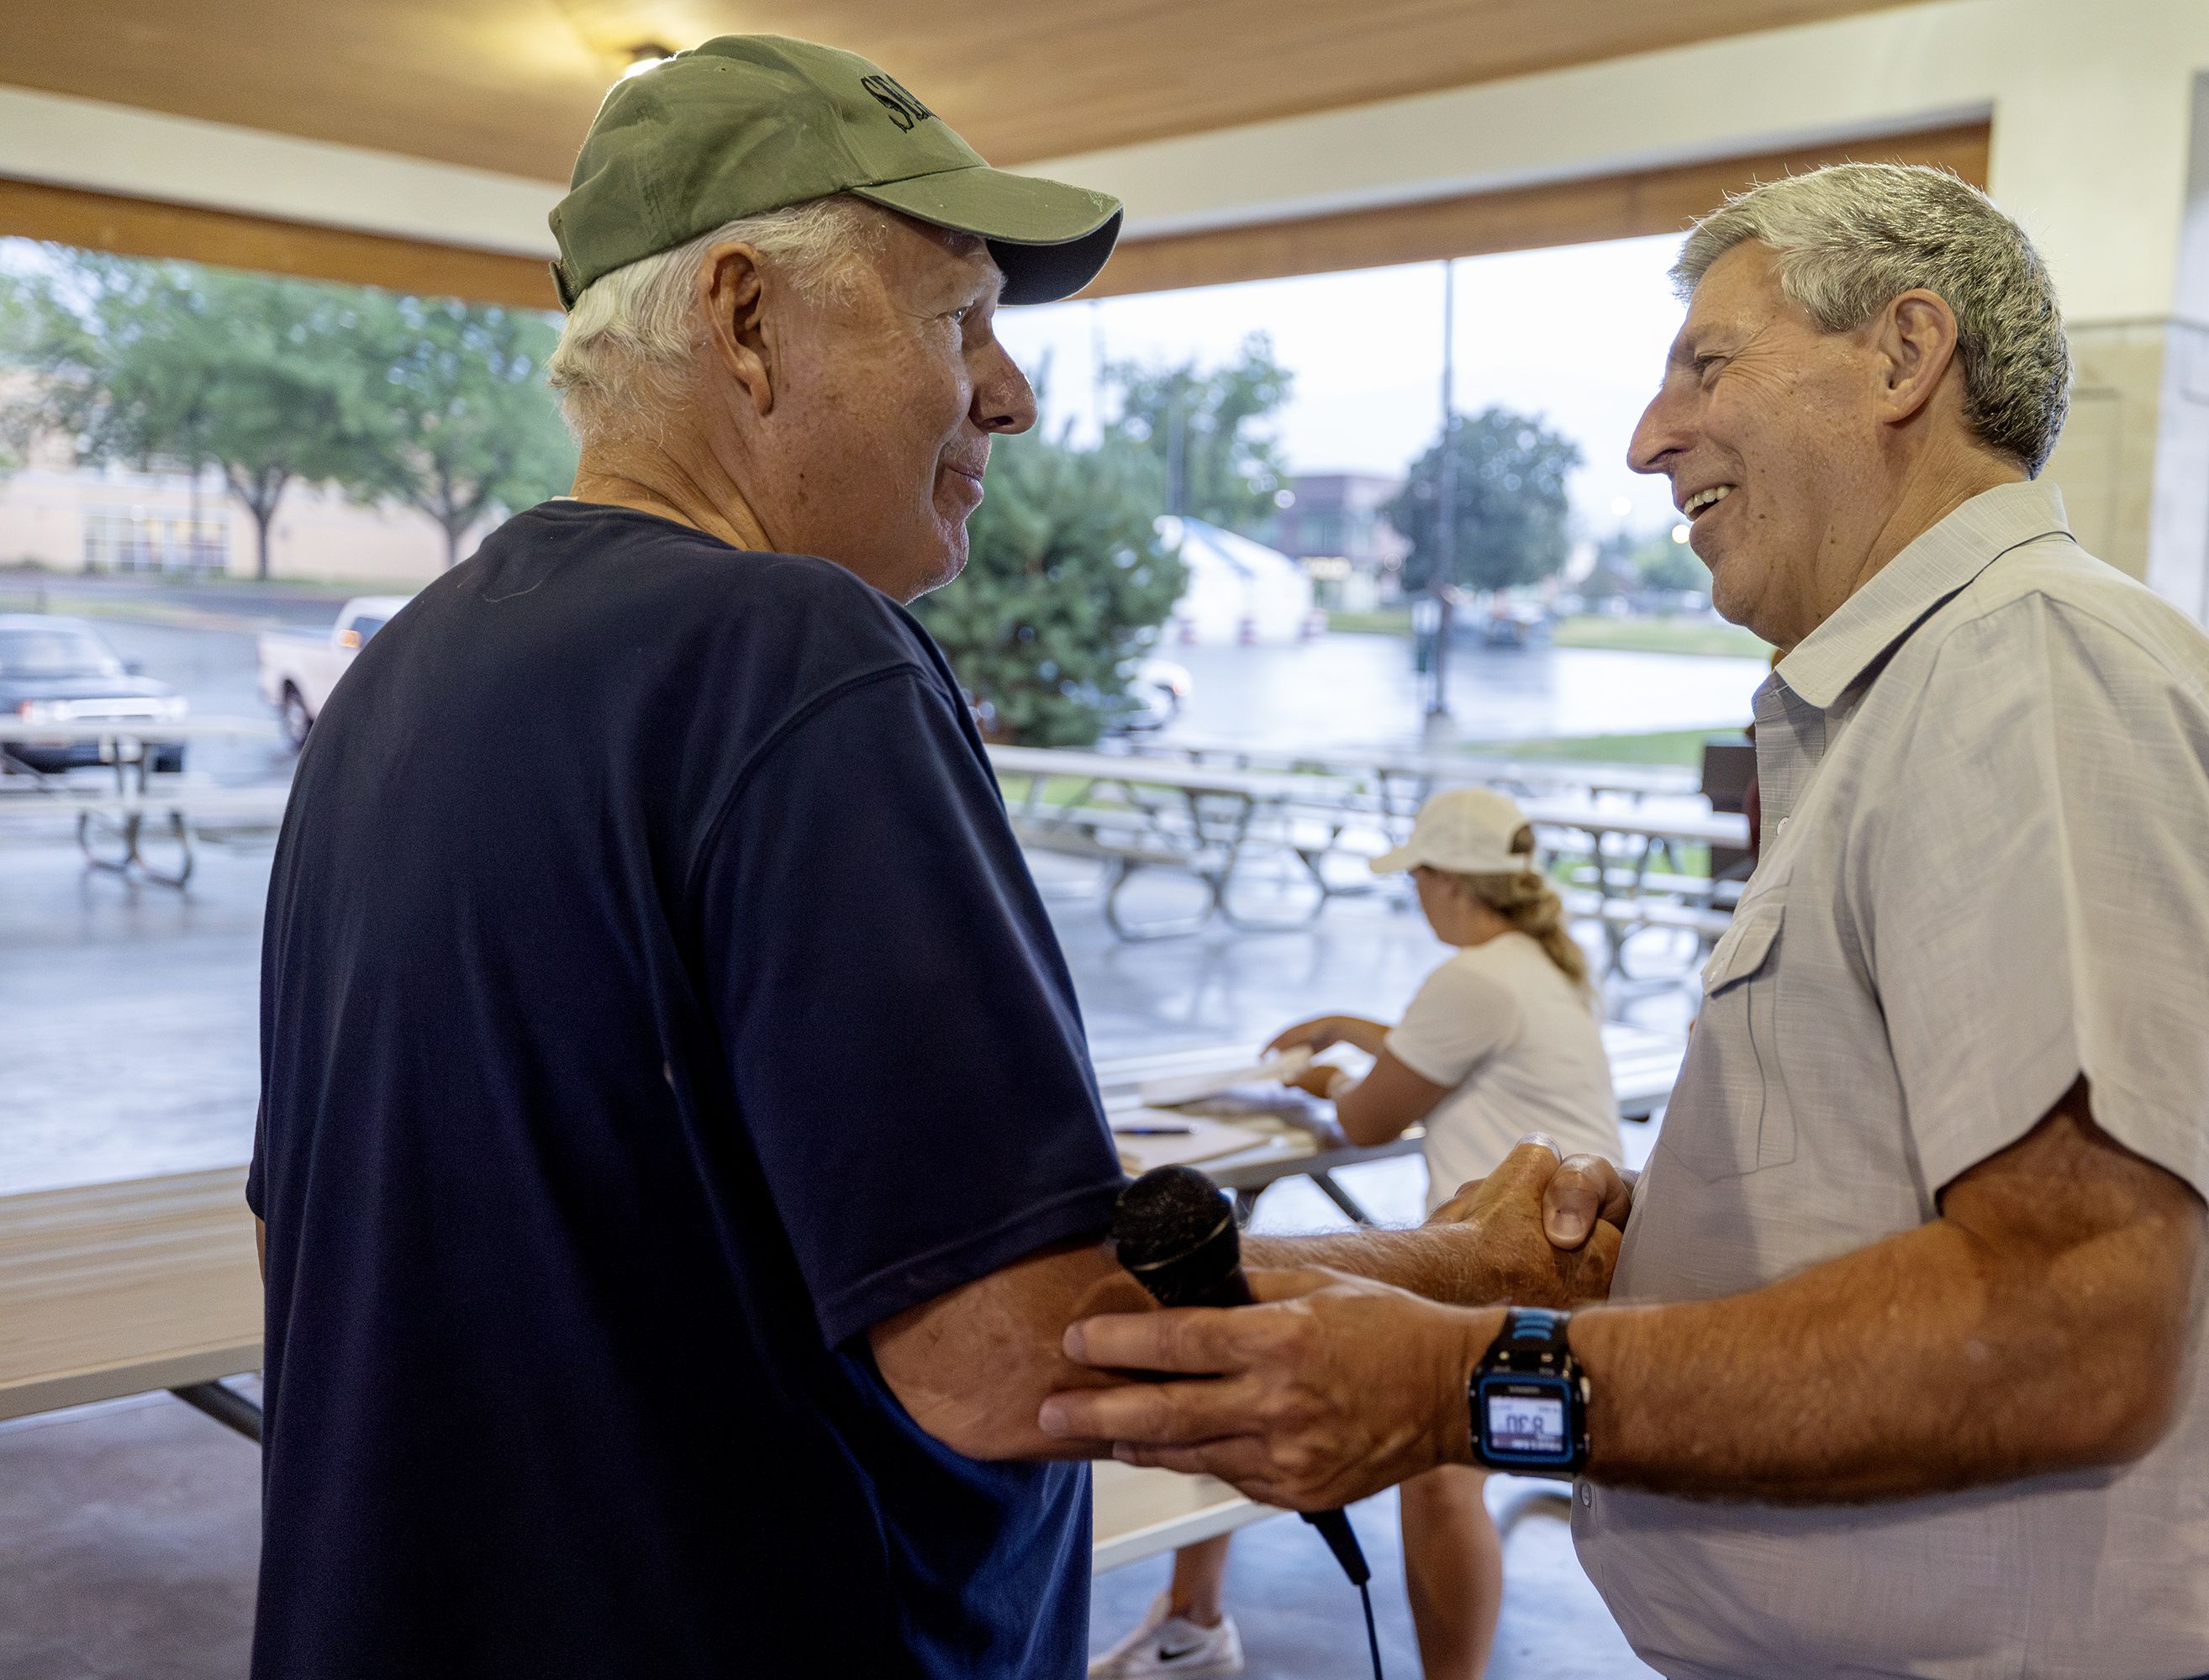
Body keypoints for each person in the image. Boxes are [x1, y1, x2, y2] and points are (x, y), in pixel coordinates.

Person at [250, 45, 1622, 1679]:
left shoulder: (398, 682)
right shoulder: (794, 652)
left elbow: (318, 1252)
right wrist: (1465, 1263)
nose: (1011, 393)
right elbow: (1020, 1356)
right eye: (955, 317)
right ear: (746, 323)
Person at [1044, 161, 2209, 1680]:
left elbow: (2067, 1321)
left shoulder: (2023, 671)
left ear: (1906, 357)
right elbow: (1933, 1225)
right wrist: (1621, 1248)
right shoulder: (1918, 696)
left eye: (1708, 365)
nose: (1649, 438)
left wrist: (1480, 1380)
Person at [1092, 787, 1621, 1680]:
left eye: (1418, 874)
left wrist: (1326, 1080)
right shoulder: (1539, 963)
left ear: (1453, 881)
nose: (1414, 892)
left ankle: (1210, 1622)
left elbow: (1370, 1121)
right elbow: (1438, 1044)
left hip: (1509, 1246)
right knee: (1257, 1345)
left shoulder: (1473, 978)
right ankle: (1193, 1617)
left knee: (1436, 1460)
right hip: (1581, 1239)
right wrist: (1348, 1027)